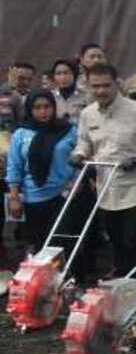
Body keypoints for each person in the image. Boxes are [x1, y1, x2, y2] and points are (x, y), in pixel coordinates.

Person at [70, 64, 136, 279]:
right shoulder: (88, 114)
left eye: (106, 85)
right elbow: (84, 142)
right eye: (95, 86)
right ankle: (123, 287)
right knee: (116, 241)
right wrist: (79, 155)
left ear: (116, 84)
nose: (100, 91)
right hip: (106, 188)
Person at [6, 91, 83, 277]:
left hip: (63, 195)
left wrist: (76, 181)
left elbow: (82, 157)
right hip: (32, 197)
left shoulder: (68, 130)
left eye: (47, 107)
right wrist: (14, 197)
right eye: (37, 108)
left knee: (61, 241)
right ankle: (41, 284)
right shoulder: (21, 133)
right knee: (38, 243)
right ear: (30, 110)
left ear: (54, 107)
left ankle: (64, 282)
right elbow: (14, 167)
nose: (43, 112)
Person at [51, 59, 89, 123]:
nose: (63, 77)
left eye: (66, 73)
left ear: (75, 75)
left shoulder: (86, 96)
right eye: (58, 74)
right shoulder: (50, 97)